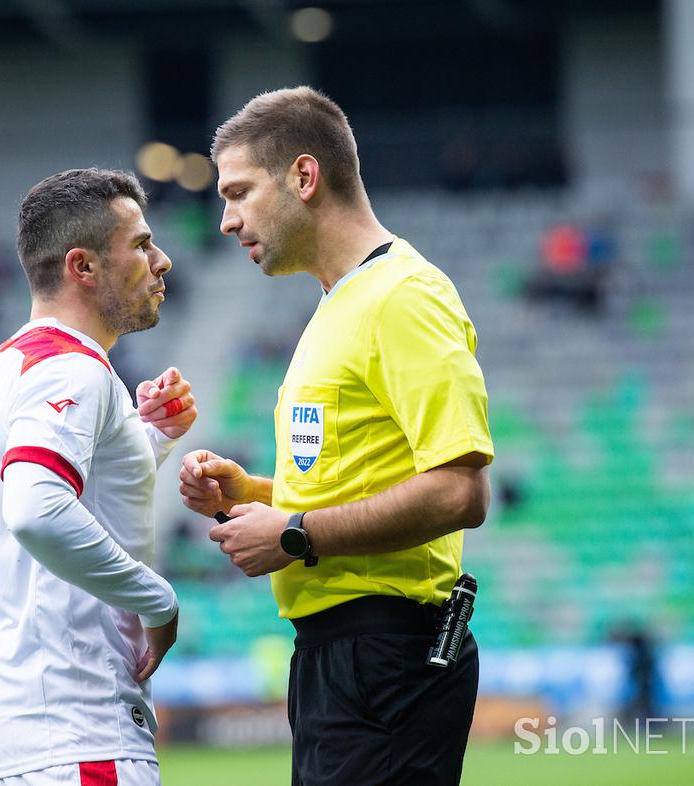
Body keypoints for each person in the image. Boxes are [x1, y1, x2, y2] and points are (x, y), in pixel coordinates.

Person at [179, 87, 494, 786]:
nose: (226, 221)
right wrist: (256, 495)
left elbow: (461, 491)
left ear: (303, 176)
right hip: (344, 657)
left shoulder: (403, 297)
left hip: (386, 656)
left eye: (237, 192)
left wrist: (294, 534)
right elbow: (364, 476)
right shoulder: (342, 301)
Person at [0, 168, 197, 786]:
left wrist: (148, 439)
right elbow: (37, 509)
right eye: (141, 244)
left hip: (24, 734)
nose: (162, 260)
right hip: (78, 735)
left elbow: (62, 494)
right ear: (82, 267)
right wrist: (157, 597)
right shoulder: (73, 370)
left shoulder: (8, 364)